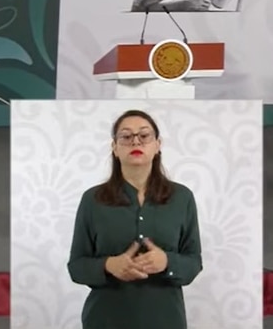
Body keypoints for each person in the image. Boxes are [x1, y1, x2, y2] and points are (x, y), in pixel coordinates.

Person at [66, 109, 202, 329]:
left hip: (165, 320)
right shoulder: (93, 199)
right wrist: (109, 265)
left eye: (144, 135)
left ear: (157, 145)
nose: (135, 141)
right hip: (105, 320)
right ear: (115, 148)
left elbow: (194, 262)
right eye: (126, 136)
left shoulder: (182, 198)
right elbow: (76, 266)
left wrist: (166, 261)